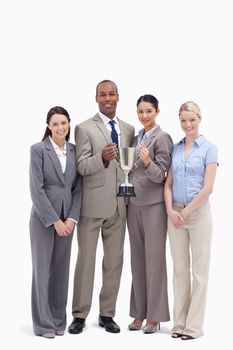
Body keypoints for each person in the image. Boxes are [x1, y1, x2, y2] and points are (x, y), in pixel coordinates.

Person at [68, 80, 135, 334]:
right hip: (92, 207)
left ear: (118, 97)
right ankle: (79, 315)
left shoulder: (128, 129)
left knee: (115, 262)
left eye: (112, 94)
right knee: (86, 262)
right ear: (96, 98)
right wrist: (102, 159)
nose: (108, 98)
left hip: (120, 206)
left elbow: (128, 166)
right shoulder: (84, 128)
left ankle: (107, 314)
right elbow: (81, 166)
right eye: (103, 94)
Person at [164, 101, 218, 340]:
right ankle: (179, 323)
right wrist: (170, 210)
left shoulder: (209, 149)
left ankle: (194, 327)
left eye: (192, 119)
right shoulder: (175, 149)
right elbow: (168, 184)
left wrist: (186, 213)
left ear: (199, 119)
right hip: (174, 214)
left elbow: (208, 188)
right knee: (179, 270)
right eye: (183, 120)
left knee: (199, 272)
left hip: (197, 215)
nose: (188, 124)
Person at [29, 106, 82, 338]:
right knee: (42, 271)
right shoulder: (38, 150)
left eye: (64, 123)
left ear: (69, 124)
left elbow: (78, 189)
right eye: (56, 124)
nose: (60, 128)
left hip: (67, 220)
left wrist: (70, 218)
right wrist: (54, 220)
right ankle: (43, 324)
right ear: (48, 126)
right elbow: (36, 189)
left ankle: (58, 320)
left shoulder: (74, 151)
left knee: (61, 271)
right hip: (43, 220)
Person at [127, 94, 173, 334]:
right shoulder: (135, 138)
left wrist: (146, 161)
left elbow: (162, 177)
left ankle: (154, 317)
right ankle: (139, 313)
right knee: (137, 261)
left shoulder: (163, 137)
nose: (144, 115)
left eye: (148, 111)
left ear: (157, 112)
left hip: (154, 205)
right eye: (140, 111)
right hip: (133, 204)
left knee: (154, 261)